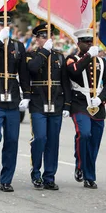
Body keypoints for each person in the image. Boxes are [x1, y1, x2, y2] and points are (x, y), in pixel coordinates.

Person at [0, 11, 31, 193]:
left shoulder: (18, 46)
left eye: (6, 24)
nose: (4, 27)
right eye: (0, 24)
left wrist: (27, 95)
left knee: (12, 140)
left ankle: (6, 179)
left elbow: (23, 72)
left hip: (12, 97)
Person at [25, 23, 71, 190]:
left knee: (53, 141)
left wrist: (67, 104)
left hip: (56, 102)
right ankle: (36, 172)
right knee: (40, 138)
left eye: (49, 36)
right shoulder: (31, 55)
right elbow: (32, 68)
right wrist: (45, 52)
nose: (47, 39)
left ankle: (49, 176)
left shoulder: (59, 56)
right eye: (43, 36)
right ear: (37, 39)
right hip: (39, 102)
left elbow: (65, 82)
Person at [66, 29, 106, 189]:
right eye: (85, 42)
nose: (89, 44)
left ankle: (89, 176)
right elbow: (74, 71)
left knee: (94, 142)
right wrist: (88, 56)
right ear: (78, 43)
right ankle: (80, 165)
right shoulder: (72, 59)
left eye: (90, 42)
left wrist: (100, 98)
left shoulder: (102, 62)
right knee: (84, 133)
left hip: (96, 105)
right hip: (79, 102)